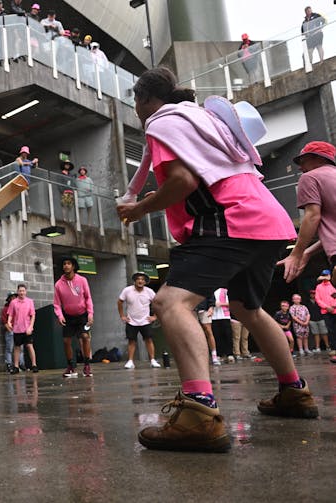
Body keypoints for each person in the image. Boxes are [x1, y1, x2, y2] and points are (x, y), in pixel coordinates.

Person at [117, 67, 317, 453]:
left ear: (143, 100)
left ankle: (198, 412)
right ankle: (294, 392)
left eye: (136, 103)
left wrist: (140, 208)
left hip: (229, 217)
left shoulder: (163, 122)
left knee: (170, 302)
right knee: (249, 308)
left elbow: (182, 182)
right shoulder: (203, 118)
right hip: (267, 217)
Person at [278, 141, 336, 286]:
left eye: (303, 161)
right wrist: (308, 252)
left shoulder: (310, 177)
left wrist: (296, 254)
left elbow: (312, 216)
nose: (300, 167)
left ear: (319, 158)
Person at [53, 257, 94, 378]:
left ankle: (87, 365)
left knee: (85, 336)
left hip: (82, 315)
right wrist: (59, 315)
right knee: (66, 341)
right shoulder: (58, 284)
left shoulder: (82, 280)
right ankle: (70, 366)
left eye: (69, 264)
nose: (66, 266)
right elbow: (56, 303)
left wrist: (90, 313)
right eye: (64, 264)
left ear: (73, 266)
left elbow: (88, 298)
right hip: (68, 316)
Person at [118, 272, 160, 369]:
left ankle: (153, 360)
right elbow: (119, 302)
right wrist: (122, 316)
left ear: (145, 282)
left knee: (148, 340)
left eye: (142, 279)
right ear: (135, 280)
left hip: (145, 320)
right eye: (138, 279)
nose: (140, 281)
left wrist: (155, 316)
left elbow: (157, 303)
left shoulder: (149, 291)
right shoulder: (127, 290)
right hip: (131, 321)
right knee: (131, 341)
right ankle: (130, 361)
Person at [6, 284, 38, 374]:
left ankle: (34, 365)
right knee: (17, 347)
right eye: (20, 291)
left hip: (27, 328)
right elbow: (10, 314)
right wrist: (9, 322)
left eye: (23, 291)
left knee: (29, 346)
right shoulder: (13, 302)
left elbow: (33, 315)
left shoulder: (30, 301)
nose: (21, 292)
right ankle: (16, 367)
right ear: (17, 291)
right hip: (17, 328)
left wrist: (31, 327)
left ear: (26, 292)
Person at [1, 291, 26, 372]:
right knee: (9, 349)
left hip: (19, 331)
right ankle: (9, 365)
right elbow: (4, 321)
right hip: (11, 331)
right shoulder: (6, 309)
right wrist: (10, 331)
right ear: (9, 299)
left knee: (20, 349)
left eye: (14, 297)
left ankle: (21, 364)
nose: (13, 299)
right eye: (11, 297)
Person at [314, 270, 336, 349]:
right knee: (330, 330)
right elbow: (317, 299)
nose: (325, 277)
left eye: (326, 275)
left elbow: (335, 297)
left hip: (334, 310)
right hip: (326, 311)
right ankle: (334, 348)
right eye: (324, 275)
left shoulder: (333, 285)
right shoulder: (319, 287)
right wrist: (327, 307)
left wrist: (333, 306)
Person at [196, 295, 220, 366]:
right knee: (195, 333)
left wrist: (211, 307)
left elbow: (210, 293)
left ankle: (214, 356)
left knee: (208, 331)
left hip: (204, 308)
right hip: (192, 309)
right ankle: (198, 357)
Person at [211, 287, 234, 363]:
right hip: (214, 317)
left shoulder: (225, 291)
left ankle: (229, 354)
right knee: (217, 336)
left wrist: (221, 304)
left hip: (225, 316)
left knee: (227, 335)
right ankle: (219, 354)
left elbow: (231, 303)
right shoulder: (210, 291)